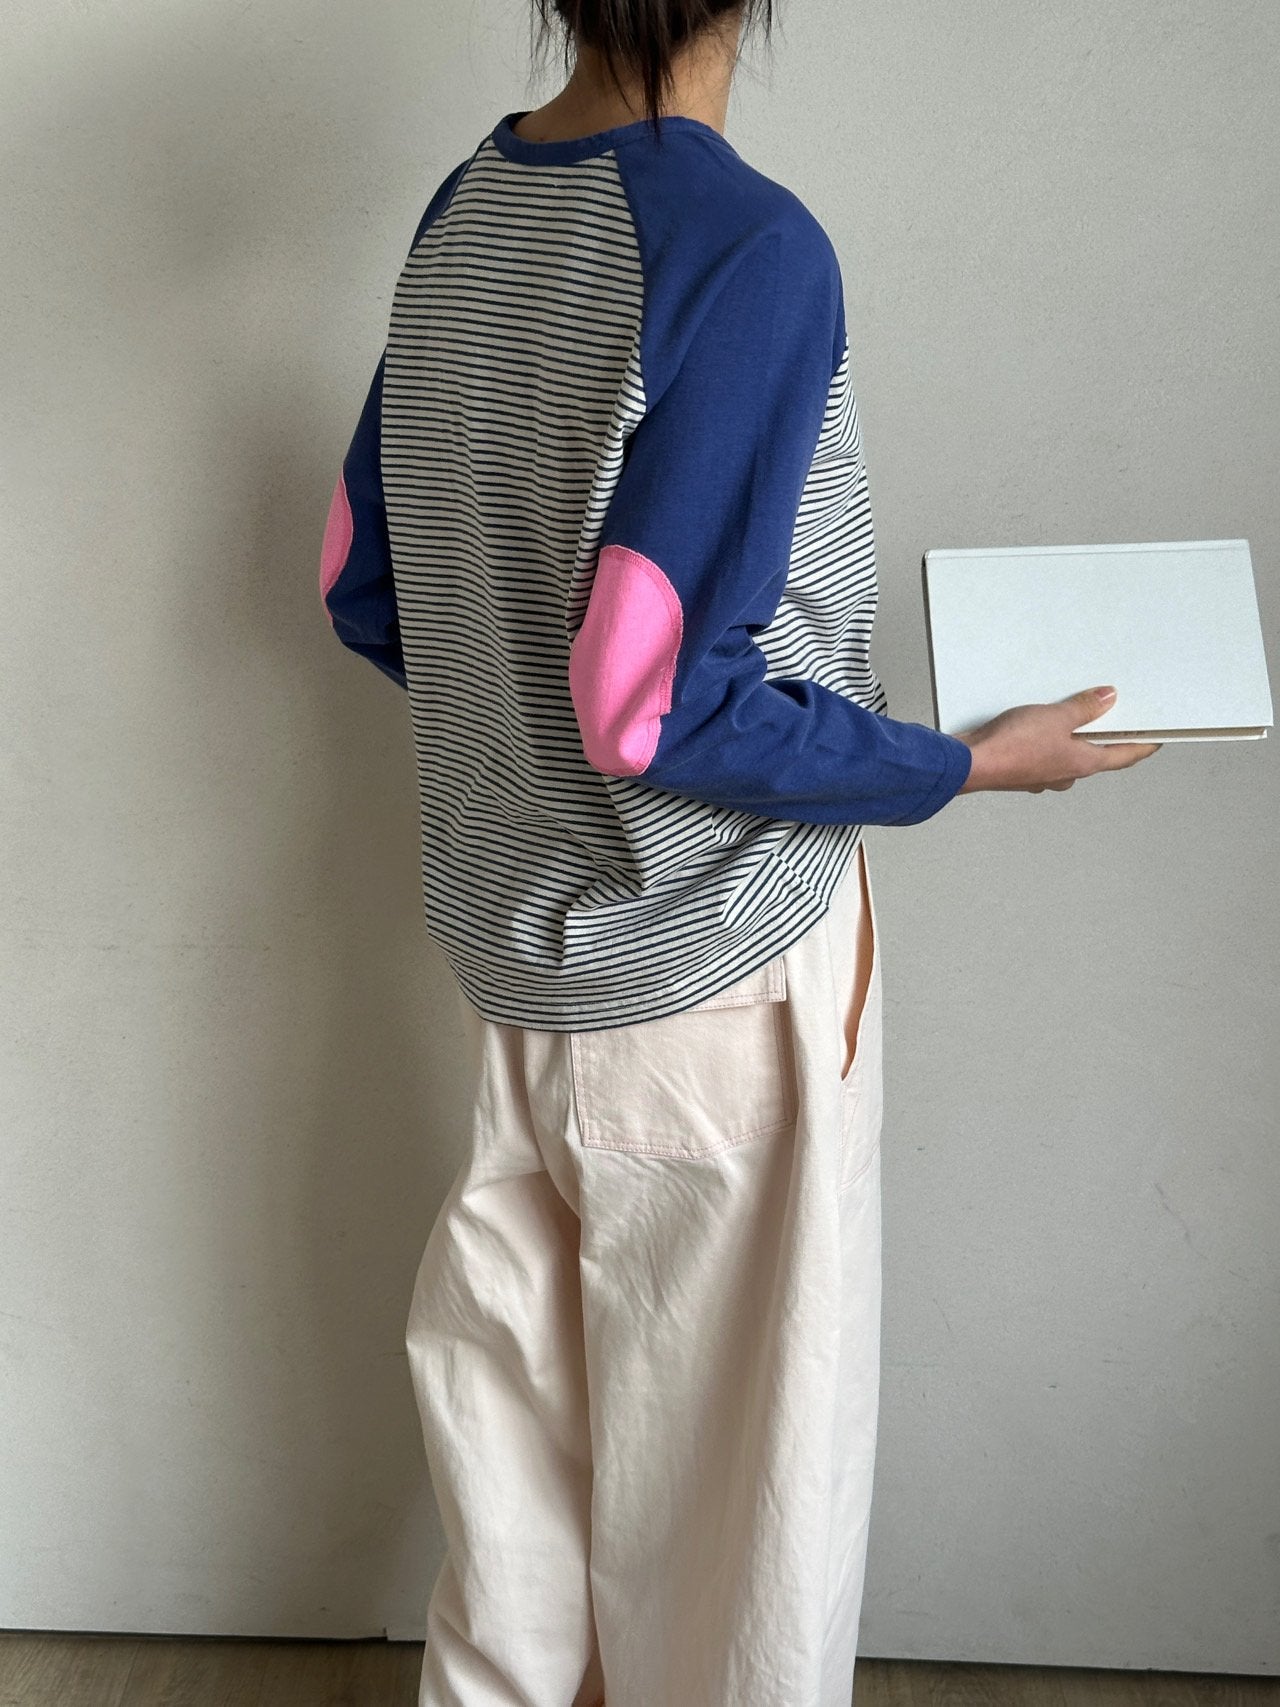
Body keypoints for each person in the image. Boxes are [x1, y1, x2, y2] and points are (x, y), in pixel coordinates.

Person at [318, 3, 1162, 1702]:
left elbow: (367, 581)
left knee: (516, 1468)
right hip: (717, 963)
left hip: (516, 952)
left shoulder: (469, 211)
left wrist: (521, 755)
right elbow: (656, 708)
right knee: (744, 1508)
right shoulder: (748, 248)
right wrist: (962, 764)